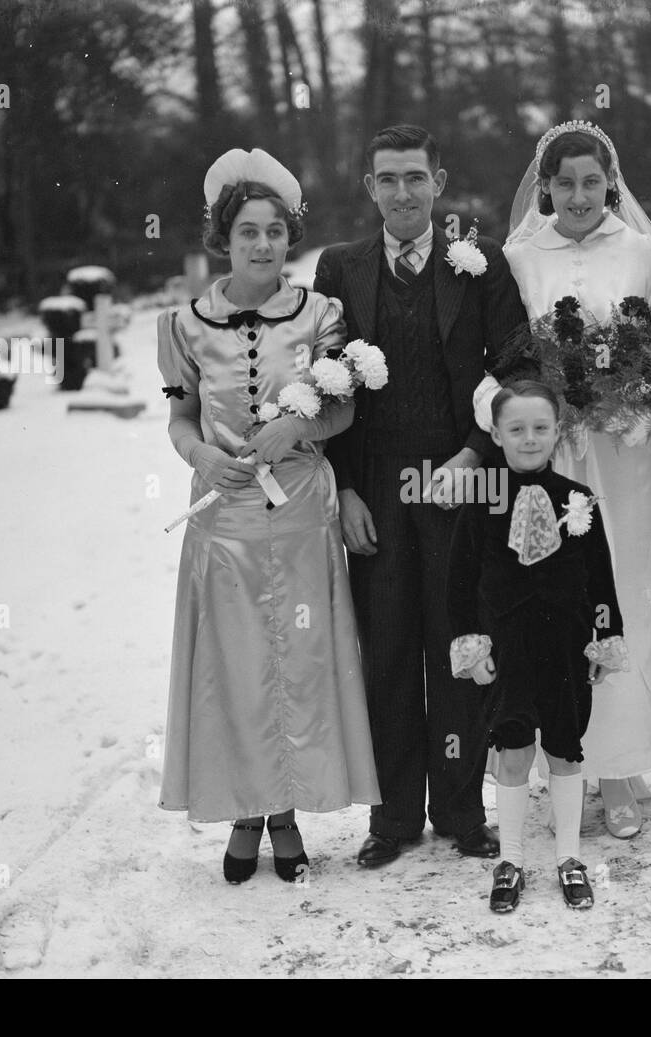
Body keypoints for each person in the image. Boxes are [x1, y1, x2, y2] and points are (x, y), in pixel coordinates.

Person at [157, 148, 380, 883]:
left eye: (276, 232)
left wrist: (301, 428)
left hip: (299, 516)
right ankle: (246, 810)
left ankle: (285, 813)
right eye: (248, 231)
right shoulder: (185, 325)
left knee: (300, 665)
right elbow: (182, 419)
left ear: (291, 238)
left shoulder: (317, 314)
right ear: (224, 238)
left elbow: (343, 408)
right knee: (239, 669)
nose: (263, 245)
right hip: (225, 523)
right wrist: (198, 459)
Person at [314, 125, 530, 868]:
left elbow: (515, 364)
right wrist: (344, 490)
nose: (402, 192)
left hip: (461, 479)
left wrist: (474, 453)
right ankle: (394, 815)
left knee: (462, 646)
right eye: (387, 179)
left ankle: (465, 813)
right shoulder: (340, 268)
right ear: (369, 188)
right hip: (377, 484)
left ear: (439, 182)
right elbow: (323, 392)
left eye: (415, 177)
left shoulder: (480, 265)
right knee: (390, 649)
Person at [473, 121, 651, 839]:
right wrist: (516, 414)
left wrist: (631, 389)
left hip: (621, 458)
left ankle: (620, 769)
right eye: (563, 183)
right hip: (547, 459)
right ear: (544, 188)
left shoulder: (639, 253)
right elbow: (495, 362)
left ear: (611, 184)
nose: (577, 196)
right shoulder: (517, 257)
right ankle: (559, 755)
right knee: (549, 604)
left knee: (615, 596)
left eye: (591, 182)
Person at [448, 380, 629, 911]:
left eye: (540, 428)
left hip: (566, 647)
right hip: (506, 650)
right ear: (497, 435)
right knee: (512, 750)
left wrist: (604, 641)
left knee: (565, 750)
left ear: (556, 431)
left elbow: (601, 581)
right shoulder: (479, 506)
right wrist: (471, 649)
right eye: (517, 429)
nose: (530, 439)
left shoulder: (578, 499)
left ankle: (569, 858)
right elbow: (458, 587)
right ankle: (511, 860)